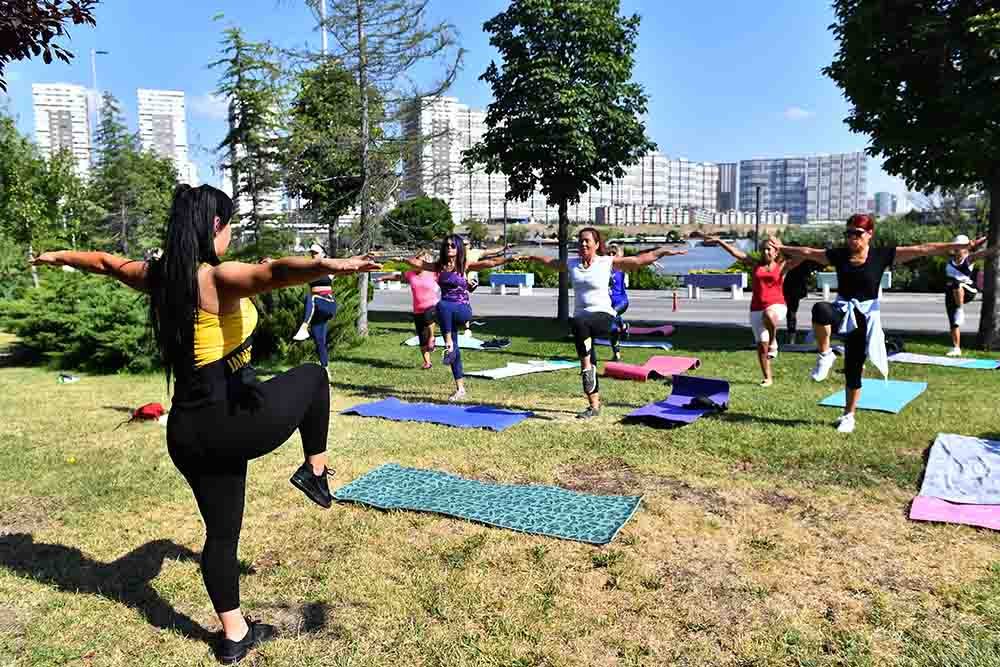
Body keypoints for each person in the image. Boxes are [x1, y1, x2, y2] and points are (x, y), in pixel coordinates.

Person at [32, 185, 380, 664]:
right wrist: (329, 266)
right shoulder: (214, 278)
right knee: (314, 378)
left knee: (221, 536)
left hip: (187, 434)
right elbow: (273, 271)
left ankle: (234, 635)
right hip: (227, 422)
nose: (231, 235)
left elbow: (106, 263)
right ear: (213, 227)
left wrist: (57, 256)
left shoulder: (158, 276)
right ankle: (315, 471)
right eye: (229, 225)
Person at [771, 214, 986, 434]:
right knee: (820, 310)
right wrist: (782, 246)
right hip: (842, 310)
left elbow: (924, 248)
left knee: (854, 369)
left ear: (869, 234)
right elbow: (809, 253)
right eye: (849, 234)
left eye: (857, 234)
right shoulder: (839, 255)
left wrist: (962, 245)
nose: (852, 239)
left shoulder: (881, 255)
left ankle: (849, 415)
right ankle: (826, 355)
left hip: (865, 317)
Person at [524, 228, 687, 418]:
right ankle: (593, 405)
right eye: (580, 241)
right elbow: (551, 263)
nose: (583, 244)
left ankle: (586, 368)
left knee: (579, 326)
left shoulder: (606, 262)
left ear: (596, 244)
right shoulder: (572, 264)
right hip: (581, 322)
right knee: (582, 334)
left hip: (603, 316)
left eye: (587, 241)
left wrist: (662, 252)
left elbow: (637, 261)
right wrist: (530, 256)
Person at [405, 234, 520, 401]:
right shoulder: (439, 267)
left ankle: (448, 344)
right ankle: (460, 388)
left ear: (459, 248)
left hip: (462, 311)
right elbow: (419, 263)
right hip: (446, 315)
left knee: (441, 305)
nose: (449, 248)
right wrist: (398, 258)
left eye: (453, 245)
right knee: (454, 351)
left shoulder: (463, 265)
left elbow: (490, 262)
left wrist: (509, 259)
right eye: (447, 245)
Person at [705, 237, 803, 387]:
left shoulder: (783, 266)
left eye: (769, 249)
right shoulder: (755, 264)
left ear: (776, 252)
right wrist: (720, 241)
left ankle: (773, 341)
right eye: (763, 249)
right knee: (762, 347)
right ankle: (767, 378)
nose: (765, 252)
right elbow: (736, 253)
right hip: (756, 308)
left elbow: (802, 255)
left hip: (777, 306)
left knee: (769, 315)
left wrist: (782, 246)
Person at [373, 252, 441, 369]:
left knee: (428, 316)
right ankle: (427, 362)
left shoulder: (433, 273)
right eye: (416, 260)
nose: (416, 263)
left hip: (432, 306)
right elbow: (398, 277)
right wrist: (382, 278)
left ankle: (432, 338)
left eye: (419, 260)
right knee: (421, 335)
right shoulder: (411, 274)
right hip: (417, 309)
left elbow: (447, 280)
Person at [944, 234, 1000, 356]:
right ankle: (956, 348)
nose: (957, 250)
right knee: (953, 322)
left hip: (969, 290)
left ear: (966, 248)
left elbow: (987, 252)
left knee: (956, 283)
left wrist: (994, 243)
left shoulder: (969, 259)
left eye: (960, 247)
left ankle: (960, 310)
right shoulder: (949, 258)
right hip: (951, 293)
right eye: (956, 247)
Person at [292, 243, 338, 382]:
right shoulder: (309, 271)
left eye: (316, 253)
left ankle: (304, 326)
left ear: (323, 254)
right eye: (312, 253)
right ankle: (325, 369)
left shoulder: (328, 268)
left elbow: (345, 265)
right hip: (316, 310)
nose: (313, 255)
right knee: (319, 341)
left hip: (328, 304)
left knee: (312, 297)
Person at [781, 252, 824, 345]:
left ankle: (791, 337)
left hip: (792, 289)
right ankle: (791, 337)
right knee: (791, 313)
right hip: (792, 289)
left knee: (791, 313)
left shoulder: (794, 262)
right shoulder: (802, 261)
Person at [608, 245, 630, 361]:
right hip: (610, 305)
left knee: (611, 315)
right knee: (612, 329)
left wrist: (649, 262)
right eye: (609, 253)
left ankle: (623, 326)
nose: (611, 255)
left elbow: (637, 261)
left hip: (622, 302)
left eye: (614, 253)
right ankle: (616, 354)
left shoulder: (621, 268)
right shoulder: (604, 268)